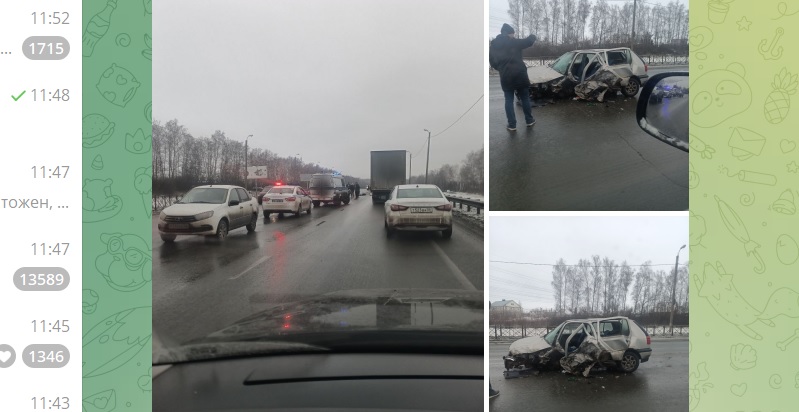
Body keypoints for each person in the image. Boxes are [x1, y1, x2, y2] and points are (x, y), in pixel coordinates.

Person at [489, 23, 537, 131]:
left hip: (506, 76)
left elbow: (492, 62)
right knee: (525, 98)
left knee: (508, 100)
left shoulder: (494, 45)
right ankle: (529, 120)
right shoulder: (513, 42)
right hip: (520, 74)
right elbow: (528, 42)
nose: (514, 35)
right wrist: (533, 36)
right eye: (513, 33)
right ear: (509, 33)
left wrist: (501, 68)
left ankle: (512, 125)